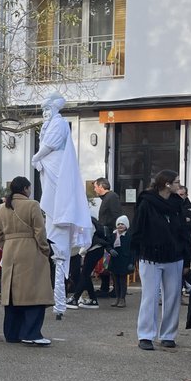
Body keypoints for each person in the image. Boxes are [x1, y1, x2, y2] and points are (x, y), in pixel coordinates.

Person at [31, 93, 92, 318]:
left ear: (55, 109)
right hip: (50, 170)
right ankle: (58, 302)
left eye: (48, 109)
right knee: (51, 203)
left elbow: (49, 146)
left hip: (56, 169)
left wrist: (36, 157)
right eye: (43, 110)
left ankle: (60, 301)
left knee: (57, 204)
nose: (45, 113)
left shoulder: (57, 125)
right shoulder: (50, 124)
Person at [130, 170, 190, 351]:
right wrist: (135, 255)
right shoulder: (146, 203)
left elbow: (183, 232)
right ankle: (145, 335)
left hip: (174, 255)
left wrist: (186, 258)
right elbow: (138, 229)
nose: (180, 185)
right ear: (167, 184)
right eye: (177, 182)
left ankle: (168, 335)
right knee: (150, 296)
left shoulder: (178, 204)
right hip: (150, 256)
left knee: (172, 297)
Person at [0, 176, 54, 346]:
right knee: (35, 292)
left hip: (10, 251)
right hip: (30, 250)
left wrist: (8, 245)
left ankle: (12, 333)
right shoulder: (32, 205)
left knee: (13, 294)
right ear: (26, 188)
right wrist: (45, 250)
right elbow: (40, 232)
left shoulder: (2, 208)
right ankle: (32, 333)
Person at [68, 217, 109, 309]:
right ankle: (93, 299)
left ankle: (75, 298)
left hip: (94, 249)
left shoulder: (87, 222)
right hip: (94, 249)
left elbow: (88, 241)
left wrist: (81, 252)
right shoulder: (87, 220)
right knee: (85, 274)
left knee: (85, 274)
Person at [94, 178, 122, 297]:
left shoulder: (112, 197)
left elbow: (116, 215)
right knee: (104, 263)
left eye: (95, 186)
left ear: (101, 186)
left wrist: (115, 232)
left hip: (109, 235)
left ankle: (115, 290)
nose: (94, 189)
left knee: (109, 263)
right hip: (105, 234)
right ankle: (104, 287)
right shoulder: (107, 198)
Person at [107, 215, 132, 308]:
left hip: (124, 261)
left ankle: (122, 299)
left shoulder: (129, 236)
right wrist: (110, 250)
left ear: (126, 226)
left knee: (122, 281)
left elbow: (132, 251)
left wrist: (131, 263)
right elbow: (108, 244)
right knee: (115, 281)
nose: (120, 226)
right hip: (114, 261)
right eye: (118, 224)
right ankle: (117, 298)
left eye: (122, 224)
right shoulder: (113, 235)